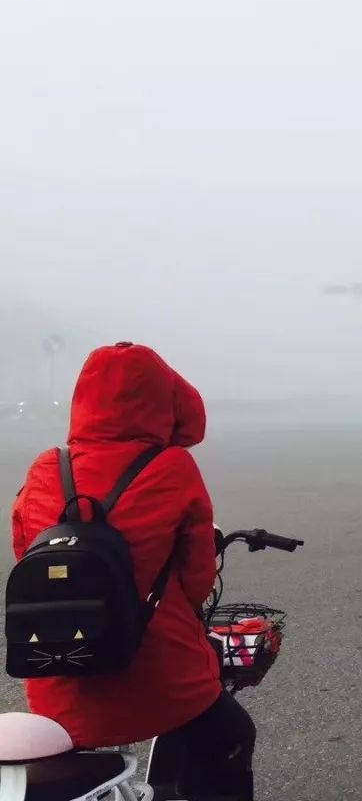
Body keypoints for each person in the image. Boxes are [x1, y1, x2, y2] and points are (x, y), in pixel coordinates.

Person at [10, 342, 255, 800]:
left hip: (59, 680)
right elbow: (198, 580)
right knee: (229, 735)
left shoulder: (46, 468)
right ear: (165, 400)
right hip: (162, 679)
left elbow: (27, 552)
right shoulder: (172, 468)